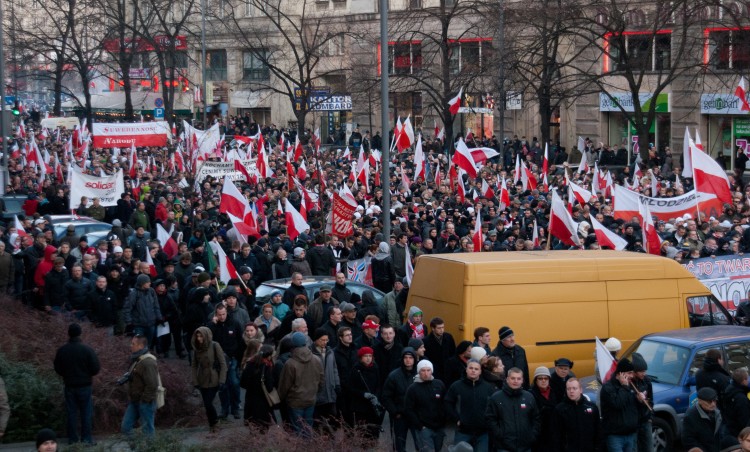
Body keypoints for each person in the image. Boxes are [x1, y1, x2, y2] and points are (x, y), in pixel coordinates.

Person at [278, 332, 324, 436]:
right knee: (308, 428)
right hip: (311, 399)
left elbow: (284, 385)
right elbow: (321, 380)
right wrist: (316, 392)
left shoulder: (290, 363)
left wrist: (281, 398)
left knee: (298, 429)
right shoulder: (316, 359)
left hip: (295, 401)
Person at [444, 359, 494, 451]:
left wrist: (489, 422)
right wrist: (456, 419)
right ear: (466, 369)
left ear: (480, 371)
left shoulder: (488, 388)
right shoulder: (456, 386)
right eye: (471, 368)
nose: (473, 370)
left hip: (483, 433)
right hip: (463, 431)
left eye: (476, 369)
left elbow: (493, 408)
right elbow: (447, 403)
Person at [486, 366, 540, 451]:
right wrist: (500, 435)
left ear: (522, 380)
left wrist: (532, 435)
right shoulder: (496, 398)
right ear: (507, 379)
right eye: (513, 378)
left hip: (525, 446)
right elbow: (490, 419)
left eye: (519, 378)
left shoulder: (529, 397)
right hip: (503, 447)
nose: (516, 381)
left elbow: (536, 418)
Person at [382, 347, 420, 452]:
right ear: (402, 359)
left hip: (416, 415)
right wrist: (395, 412)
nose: (408, 360)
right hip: (400, 416)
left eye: (411, 357)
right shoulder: (394, 376)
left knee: (420, 443)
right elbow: (386, 396)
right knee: (399, 444)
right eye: (406, 358)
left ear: (415, 359)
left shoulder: (420, 374)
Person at [404, 359, 447, 452]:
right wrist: (420, 426)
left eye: (428, 370)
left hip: (439, 427)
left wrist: (444, 420)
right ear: (419, 372)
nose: (426, 373)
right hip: (424, 428)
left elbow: (445, 403)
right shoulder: (413, 388)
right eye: (423, 370)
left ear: (432, 371)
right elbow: (408, 409)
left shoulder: (439, 384)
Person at [121, 334, 160, 436]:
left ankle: (149, 448)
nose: (131, 346)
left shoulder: (147, 362)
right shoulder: (137, 359)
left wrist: (145, 400)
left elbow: (152, 385)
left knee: (148, 431)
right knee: (126, 427)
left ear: (141, 346)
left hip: (145, 402)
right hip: (135, 401)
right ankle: (138, 447)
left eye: (133, 344)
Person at [191, 326, 227, 434]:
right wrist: (195, 381)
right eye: (197, 336)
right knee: (207, 404)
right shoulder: (197, 348)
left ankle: (215, 423)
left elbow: (223, 363)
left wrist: (222, 380)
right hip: (202, 379)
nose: (199, 338)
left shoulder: (215, 345)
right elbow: (194, 365)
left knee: (208, 403)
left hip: (214, 377)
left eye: (201, 336)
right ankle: (212, 424)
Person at [600, 358, 641, 452]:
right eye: (629, 373)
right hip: (615, 436)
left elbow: (633, 409)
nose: (632, 376)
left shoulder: (631, 385)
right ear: (620, 373)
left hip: (630, 434)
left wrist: (639, 401)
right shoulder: (608, 388)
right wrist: (624, 387)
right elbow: (617, 404)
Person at [553, 378, 603, 452]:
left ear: (580, 390)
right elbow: (556, 435)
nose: (571, 391)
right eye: (568, 389)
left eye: (574, 388)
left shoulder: (591, 407)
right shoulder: (560, 409)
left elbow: (598, 431)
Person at [682, 387, 738, 452]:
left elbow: (721, 432)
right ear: (700, 401)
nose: (713, 404)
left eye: (714, 400)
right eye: (709, 402)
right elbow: (688, 440)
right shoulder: (690, 416)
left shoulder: (716, 411)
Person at [347, 346, 384, 441]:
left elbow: (379, 384)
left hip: (373, 406)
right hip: (360, 407)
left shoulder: (375, 367)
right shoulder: (356, 369)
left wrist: (376, 396)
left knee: (374, 432)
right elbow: (351, 387)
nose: (368, 358)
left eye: (370, 356)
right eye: (365, 356)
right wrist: (363, 394)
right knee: (363, 432)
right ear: (360, 357)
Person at [310, 328, 339, 431]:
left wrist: (337, 384)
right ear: (316, 340)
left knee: (332, 419)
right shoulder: (310, 353)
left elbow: (334, 369)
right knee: (318, 420)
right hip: (318, 391)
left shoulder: (330, 351)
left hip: (330, 390)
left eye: (327, 340)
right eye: (322, 340)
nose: (325, 342)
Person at [240, 344, 276, 427]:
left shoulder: (250, 363)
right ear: (269, 356)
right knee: (263, 427)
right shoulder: (267, 367)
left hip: (250, 400)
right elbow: (269, 387)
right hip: (262, 402)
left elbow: (242, 383)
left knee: (252, 426)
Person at [123, 274, 162, 348]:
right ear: (142, 283)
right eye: (147, 282)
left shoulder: (151, 291)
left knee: (149, 344)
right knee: (139, 345)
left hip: (151, 323)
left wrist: (159, 317)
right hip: (139, 325)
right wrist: (129, 322)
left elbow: (156, 306)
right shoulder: (134, 293)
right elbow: (127, 308)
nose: (150, 283)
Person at [530, 366, 558, 452]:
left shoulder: (555, 392)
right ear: (536, 380)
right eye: (540, 378)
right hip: (538, 435)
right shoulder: (530, 395)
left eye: (546, 378)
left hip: (553, 433)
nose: (543, 380)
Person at [631, 353, 654, 452]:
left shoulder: (647, 381)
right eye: (641, 371)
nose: (644, 374)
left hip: (645, 420)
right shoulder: (629, 383)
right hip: (634, 423)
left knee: (649, 448)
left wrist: (650, 417)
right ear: (634, 371)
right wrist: (636, 399)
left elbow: (651, 400)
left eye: (645, 371)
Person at [423, 317, 455, 382]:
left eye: (443, 327)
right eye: (439, 328)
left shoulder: (448, 337)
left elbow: (453, 352)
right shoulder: (426, 341)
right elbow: (426, 357)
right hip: (435, 372)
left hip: (448, 371)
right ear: (433, 328)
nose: (442, 330)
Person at [722, 367, 750, 437]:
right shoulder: (741, 398)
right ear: (744, 380)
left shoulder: (729, 389)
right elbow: (744, 420)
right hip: (740, 432)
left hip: (730, 427)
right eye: (747, 378)